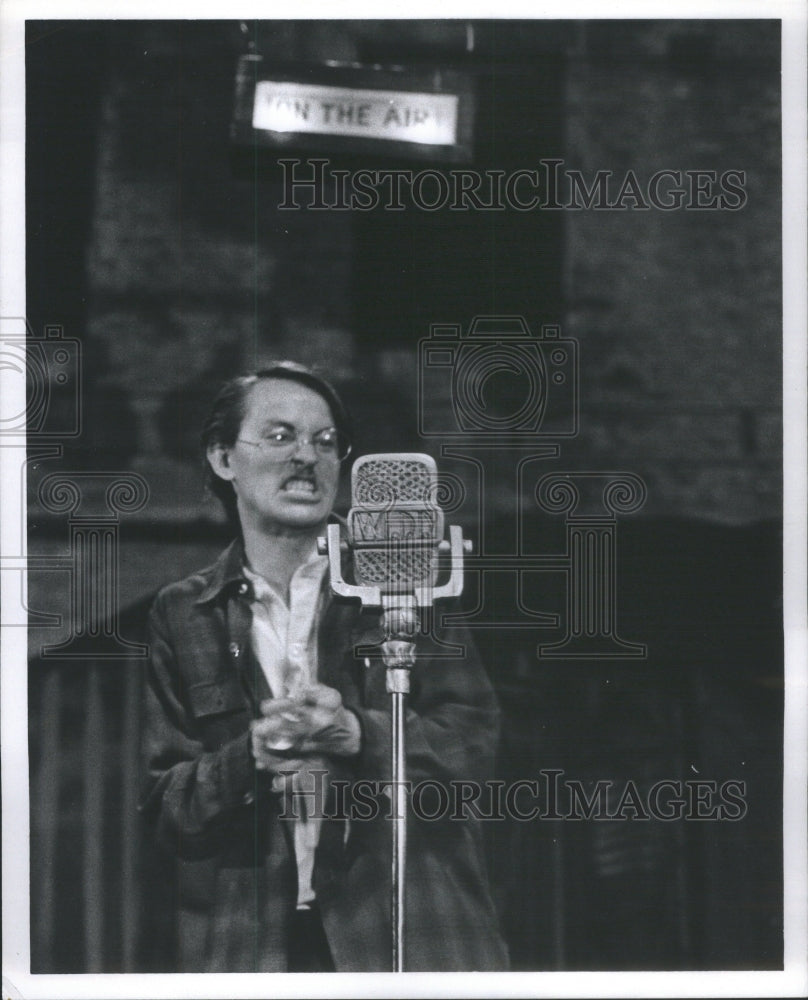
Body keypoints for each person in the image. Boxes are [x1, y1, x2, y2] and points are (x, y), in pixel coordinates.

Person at [139, 361, 509, 972]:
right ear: (223, 458)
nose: (307, 456)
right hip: (256, 950)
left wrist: (358, 734)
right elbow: (166, 811)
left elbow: (475, 747)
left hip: (407, 933)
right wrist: (249, 756)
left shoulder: (404, 576)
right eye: (281, 436)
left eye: (325, 440)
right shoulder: (184, 613)